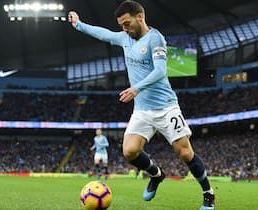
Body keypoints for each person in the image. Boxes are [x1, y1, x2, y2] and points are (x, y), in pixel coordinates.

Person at [68, 1, 215, 209]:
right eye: (121, 25)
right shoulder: (125, 38)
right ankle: (157, 174)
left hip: (166, 107)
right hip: (142, 110)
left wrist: (136, 88)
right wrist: (79, 25)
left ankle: (208, 193)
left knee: (185, 153)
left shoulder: (155, 39)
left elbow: (160, 71)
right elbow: (104, 34)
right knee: (129, 151)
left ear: (140, 17)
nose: (124, 29)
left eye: (127, 24)